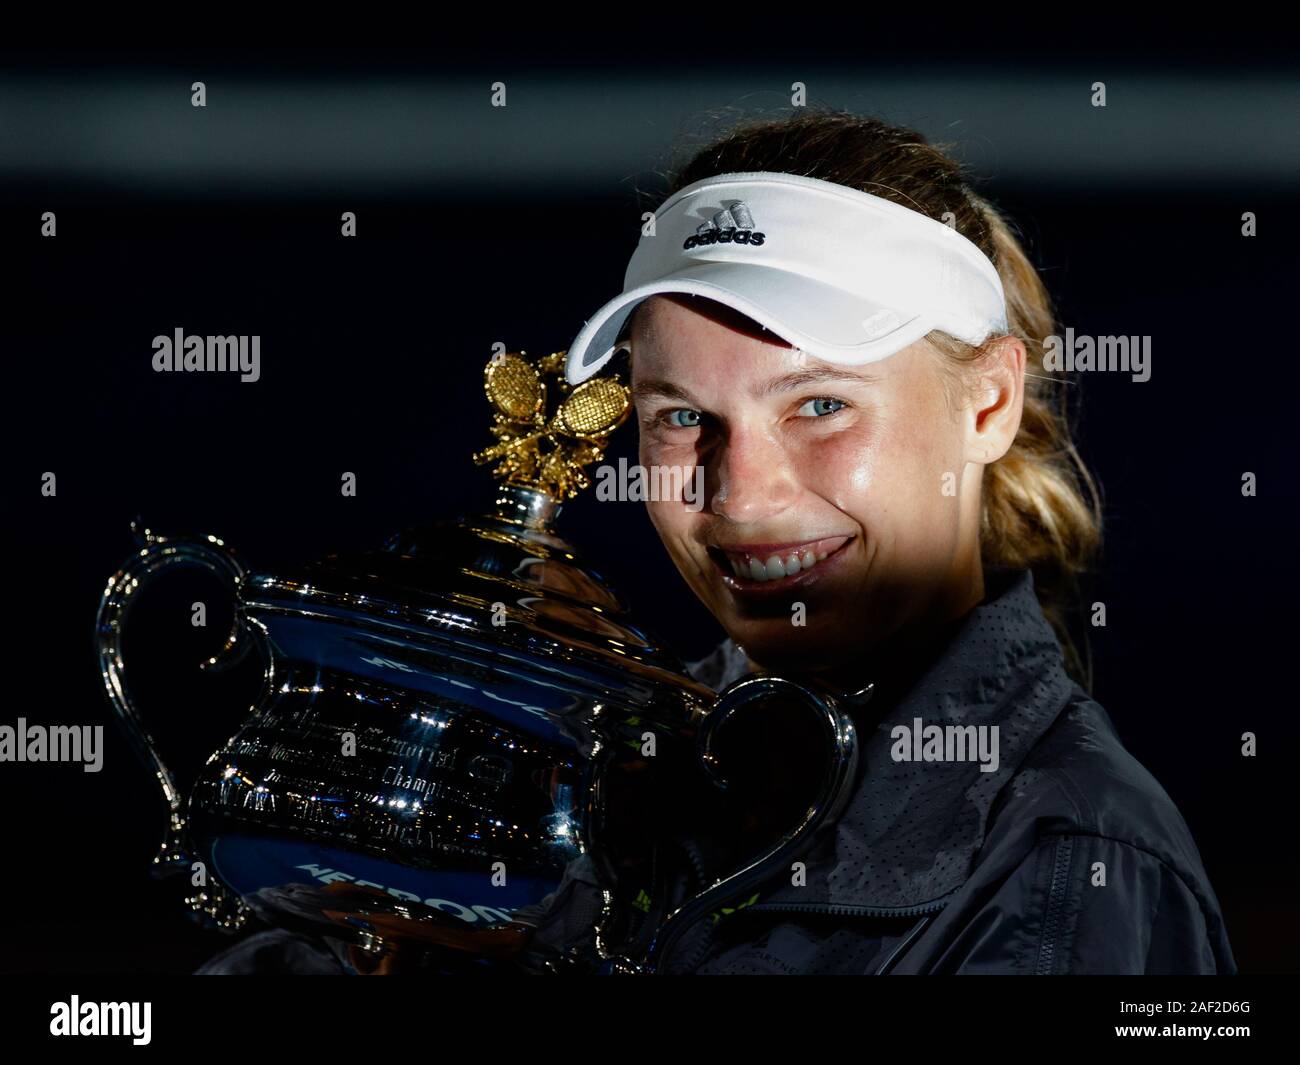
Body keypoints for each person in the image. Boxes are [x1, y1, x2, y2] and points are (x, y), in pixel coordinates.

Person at [511, 110, 1236, 975]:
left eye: (820, 404)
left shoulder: (1079, 866)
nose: (741, 494)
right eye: (681, 416)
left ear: (988, 405)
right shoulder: (596, 775)